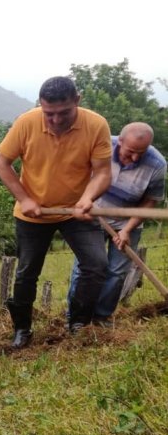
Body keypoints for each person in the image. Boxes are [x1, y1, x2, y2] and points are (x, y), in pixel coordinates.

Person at [0, 76, 112, 348]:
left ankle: (79, 323)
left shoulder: (96, 125)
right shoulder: (27, 123)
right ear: (40, 106)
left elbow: (103, 172)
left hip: (75, 211)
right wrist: (24, 198)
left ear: (77, 101)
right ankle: (22, 329)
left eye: (64, 113)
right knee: (26, 272)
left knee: (96, 265)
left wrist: (87, 198)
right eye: (49, 113)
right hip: (33, 214)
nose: (56, 120)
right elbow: (2, 162)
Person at [68, 122, 166, 326]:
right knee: (85, 267)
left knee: (117, 271)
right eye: (131, 151)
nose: (136, 157)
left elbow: (150, 201)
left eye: (142, 152)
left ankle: (101, 316)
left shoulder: (157, 164)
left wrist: (128, 229)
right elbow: (78, 175)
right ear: (119, 141)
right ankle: (76, 316)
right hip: (92, 215)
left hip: (128, 221)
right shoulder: (101, 146)